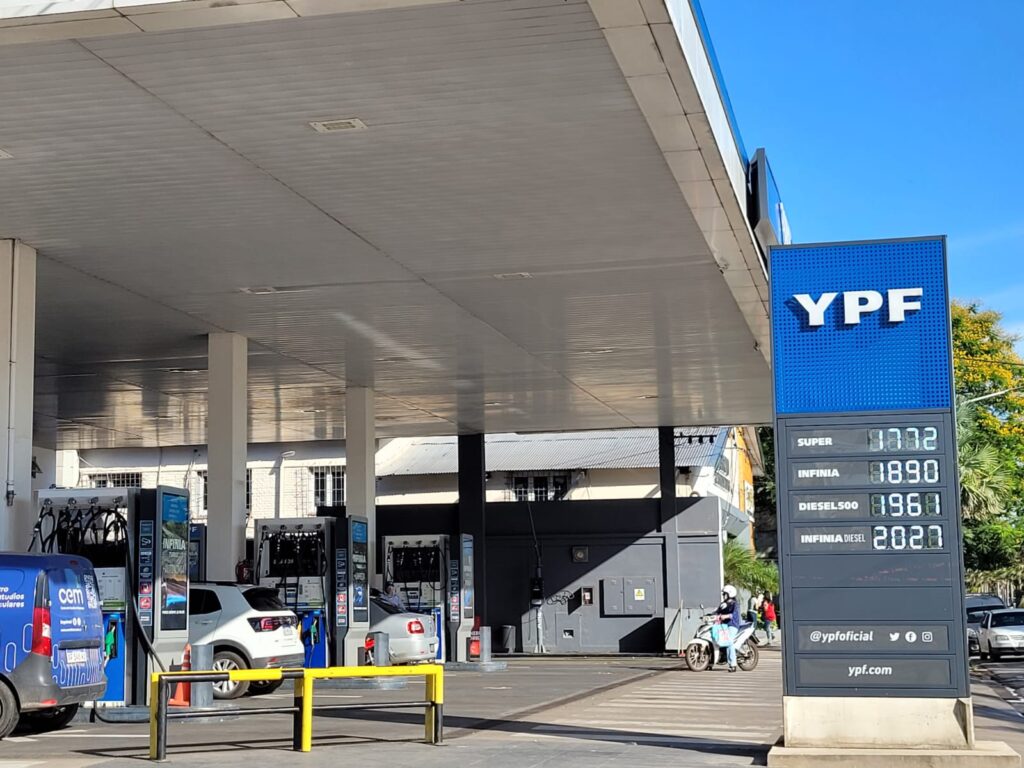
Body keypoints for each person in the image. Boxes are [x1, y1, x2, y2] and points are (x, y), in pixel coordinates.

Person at [711, 584, 741, 672]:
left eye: (725, 594)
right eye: (723, 594)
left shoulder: (734, 604)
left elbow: (733, 615)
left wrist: (726, 616)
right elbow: (717, 611)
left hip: (732, 625)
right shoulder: (724, 604)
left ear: (730, 594)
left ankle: (733, 664)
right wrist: (711, 615)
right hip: (724, 625)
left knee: (728, 642)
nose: (723, 596)